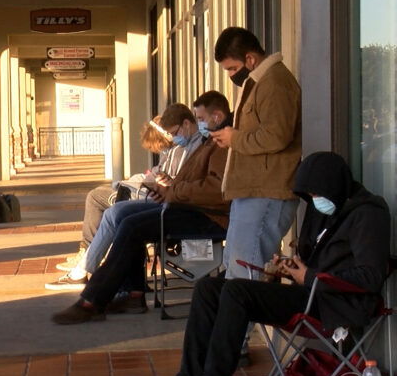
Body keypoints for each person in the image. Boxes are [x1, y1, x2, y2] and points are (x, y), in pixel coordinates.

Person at [135, 152, 391, 376]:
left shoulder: (368, 214)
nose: (314, 198)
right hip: (311, 293)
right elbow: (314, 256)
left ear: (333, 185)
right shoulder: (324, 210)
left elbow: (371, 275)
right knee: (209, 287)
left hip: (336, 302)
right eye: (310, 193)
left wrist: (311, 276)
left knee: (237, 291)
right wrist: (291, 267)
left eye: (317, 192)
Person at [51, 91, 233, 323]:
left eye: (201, 118)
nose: (199, 124)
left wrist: (172, 192)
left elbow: (217, 189)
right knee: (125, 218)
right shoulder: (210, 142)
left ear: (217, 117)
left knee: (132, 226)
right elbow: (190, 181)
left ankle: (93, 300)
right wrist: (167, 191)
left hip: (208, 216)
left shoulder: (222, 146)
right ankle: (131, 293)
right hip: (188, 206)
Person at [47, 105, 203, 290]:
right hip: (168, 199)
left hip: (179, 207)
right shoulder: (184, 146)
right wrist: (161, 182)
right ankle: (112, 280)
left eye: (202, 118)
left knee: (119, 214)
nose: (172, 138)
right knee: (119, 213)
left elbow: (196, 186)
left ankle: (105, 280)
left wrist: (168, 184)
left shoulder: (199, 146)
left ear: (186, 124)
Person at [209, 27, 302, 280]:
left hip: (268, 191)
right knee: (236, 268)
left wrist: (234, 138)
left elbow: (277, 135)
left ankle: (239, 320)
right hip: (252, 191)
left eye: (231, 68)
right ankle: (231, 319)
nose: (230, 75)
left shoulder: (275, 82)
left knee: (245, 272)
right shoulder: (261, 82)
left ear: (250, 59)